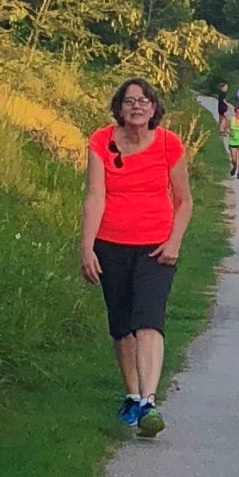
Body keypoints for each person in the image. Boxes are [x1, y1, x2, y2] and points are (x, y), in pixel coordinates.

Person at [81, 77, 191, 437]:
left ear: (154, 107)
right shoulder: (101, 141)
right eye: (129, 101)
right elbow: (95, 196)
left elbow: (184, 200)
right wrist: (86, 247)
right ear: (119, 108)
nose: (137, 107)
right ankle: (132, 394)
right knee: (121, 322)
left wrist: (175, 241)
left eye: (144, 101)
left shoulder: (168, 144)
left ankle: (148, 401)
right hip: (111, 242)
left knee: (148, 318)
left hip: (156, 245)